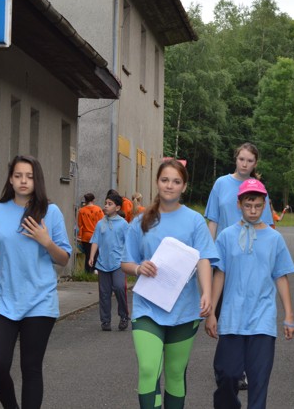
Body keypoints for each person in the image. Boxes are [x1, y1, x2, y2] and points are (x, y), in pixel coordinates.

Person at [0, 155, 72, 409]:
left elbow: (63, 259)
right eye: (18, 176)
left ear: (37, 180)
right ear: (10, 179)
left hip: (40, 302)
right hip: (3, 301)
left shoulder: (51, 212)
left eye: (29, 176)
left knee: (31, 368)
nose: (23, 181)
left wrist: (46, 241)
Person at [121, 159, 218, 409]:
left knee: (175, 373)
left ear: (184, 186)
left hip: (183, 310)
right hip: (147, 308)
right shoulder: (141, 221)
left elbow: (204, 259)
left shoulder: (195, 220)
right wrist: (138, 268)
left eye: (176, 181)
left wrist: (207, 293)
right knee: (148, 368)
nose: (169, 185)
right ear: (157, 182)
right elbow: (126, 262)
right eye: (165, 180)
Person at [205, 178, 294, 409]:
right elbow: (219, 274)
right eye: (248, 205)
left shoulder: (274, 239)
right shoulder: (226, 236)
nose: (253, 211)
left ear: (264, 205)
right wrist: (212, 313)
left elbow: (281, 276)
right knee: (227, 373)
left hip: (262, 318)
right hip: (232, 317)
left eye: (257, 206)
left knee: (258, 380)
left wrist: (289, 315)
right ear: (239, 205)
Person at [205, 143, 274, 239]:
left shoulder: (259, 188)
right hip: (224, 244)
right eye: (241, 159)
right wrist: (209, 247)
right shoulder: (221, 183)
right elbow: (213, 221)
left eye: (250, 161)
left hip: (251, 245)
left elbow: (265, 225)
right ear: (236, 159)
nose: (244, 164)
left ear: (255, 164)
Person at [89, 192, 130, 332]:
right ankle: (105, 321)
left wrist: (129, 260)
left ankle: (124, 316)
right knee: (104, 293)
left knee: (119, 287)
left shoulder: (123, 224)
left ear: (117, 208)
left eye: (110, 204)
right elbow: (95, 241)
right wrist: (92, 256)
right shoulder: (100, 223)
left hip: (118, 263)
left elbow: (129, 243)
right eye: (105, 203)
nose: (106, 206)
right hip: (102, 263)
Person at [77, 193, 104, 273]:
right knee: (96, 254)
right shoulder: (98, 210)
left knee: (88, 255)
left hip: (86, 236)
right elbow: (102, 223)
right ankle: (95, 270)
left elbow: (80, 224)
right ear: (93, 200)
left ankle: (88, 272)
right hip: (96, 235)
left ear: (85, 200)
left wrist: (80, 235)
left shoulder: (81, 211)